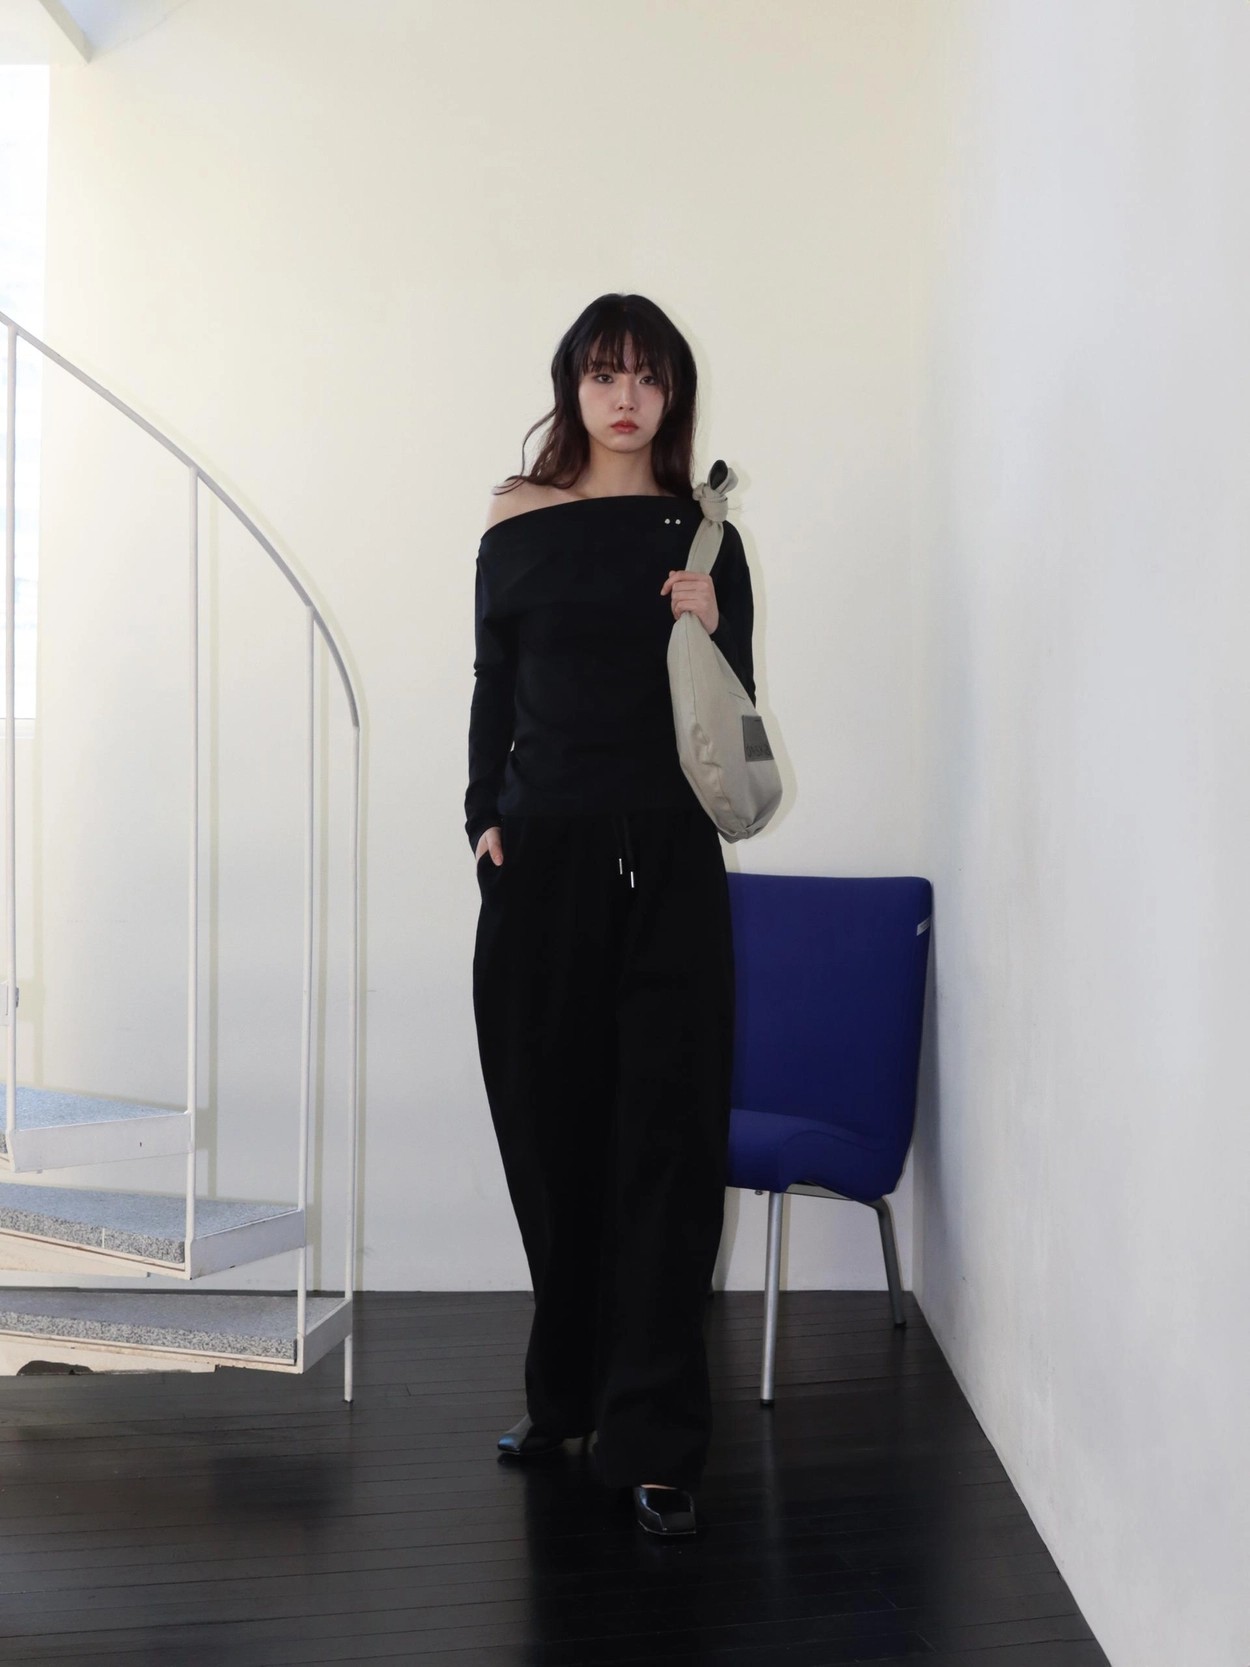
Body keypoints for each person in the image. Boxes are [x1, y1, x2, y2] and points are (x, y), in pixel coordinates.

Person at [465, 292, 756, 1538]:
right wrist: (480, 814)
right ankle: (566, 1395)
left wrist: (714, 623)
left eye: (645, 374)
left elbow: (734, 713)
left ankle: (654, 1438)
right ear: (572, 387)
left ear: (671, 391)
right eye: (602, 373)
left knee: (665, 1153)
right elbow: (493, 682)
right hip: (540, 862)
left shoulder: (702, 534)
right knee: (550, 1137)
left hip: (667, 863)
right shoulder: (514, 518)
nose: (623, 396)